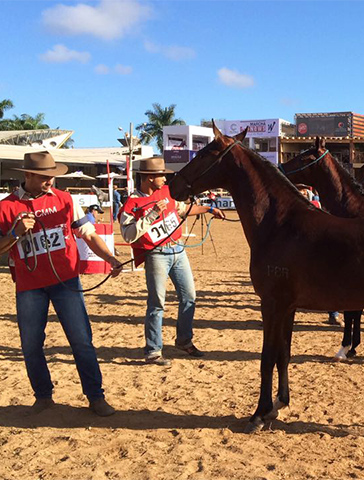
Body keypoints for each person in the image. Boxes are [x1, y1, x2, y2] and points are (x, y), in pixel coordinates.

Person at [0, 151, 122, 416]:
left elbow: (88, 235)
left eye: (52, 177)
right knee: (31, 344)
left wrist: (111, 258)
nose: (50, 182)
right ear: (28, 175)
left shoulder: (66, 200)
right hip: (29, 286)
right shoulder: (5, 207)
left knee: (81, 340)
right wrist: (15, 233)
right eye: (44, 177)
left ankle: (95, 396)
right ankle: (43, 396)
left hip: (65, 281)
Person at [120, 157, 225, 366]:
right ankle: (153, 351)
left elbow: (182, 209)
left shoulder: (166, 193)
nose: (164, 178)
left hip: (178, 250)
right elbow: (128, 235)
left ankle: (184, 340)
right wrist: (151, 216)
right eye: (161, 175)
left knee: (189, 297)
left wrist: (208, 209)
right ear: (150, 178)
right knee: (157, 303)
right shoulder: (132, 203)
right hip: (156, 254)